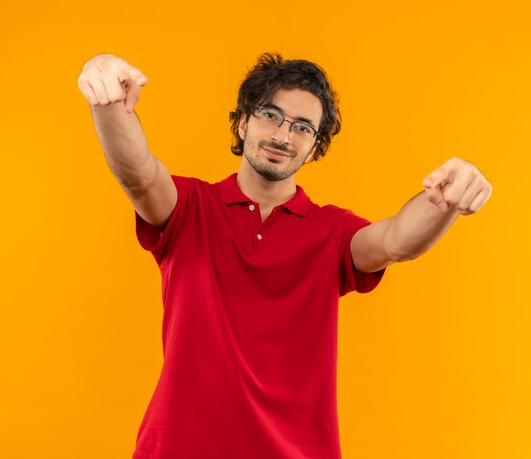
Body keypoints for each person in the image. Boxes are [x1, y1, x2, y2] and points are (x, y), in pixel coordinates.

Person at [77, 53, 492, 459]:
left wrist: (447, 197)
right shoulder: (189, 207)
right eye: (269, 115)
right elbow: (138, 175)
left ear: (314, 147)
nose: (283, 135)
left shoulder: (332, 231)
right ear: (243, 121)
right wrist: (109, 101)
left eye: (302, 127)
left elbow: (396, 241)